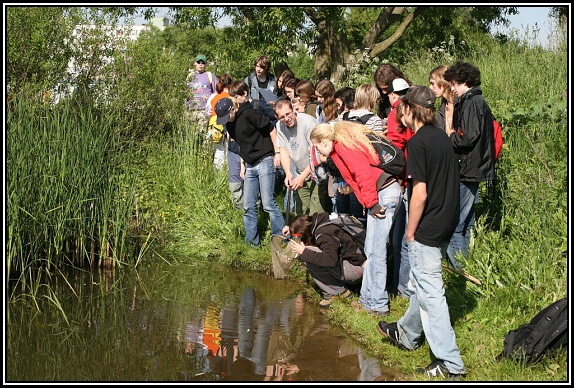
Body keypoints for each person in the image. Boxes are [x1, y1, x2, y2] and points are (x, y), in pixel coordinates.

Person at [376, 86, 466, 380]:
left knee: (431, 295)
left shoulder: (417, 144)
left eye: (401, 107)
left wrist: (410, 231)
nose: (398, 111)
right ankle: (407, 333)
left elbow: (420, 194)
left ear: (410, 110)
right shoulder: (440, 136)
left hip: (428, 225)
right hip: (445, 221)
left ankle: (450, 362)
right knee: (420, 282)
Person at [310, 120, 401, 317]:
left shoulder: (343, 147)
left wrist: (371, 204)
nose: (319, 153)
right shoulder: (342, 146)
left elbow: (363, 174)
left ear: (324, 141)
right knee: (371, 249)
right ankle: (367, 299)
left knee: (376, 252)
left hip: (382, 195)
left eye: (318, 147)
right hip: (381, 193)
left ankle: (377, 304)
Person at [443, 61, 496, 269]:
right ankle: (465, 267)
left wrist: (451, 135)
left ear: (464, 81)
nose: (453, 89)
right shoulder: (475, 101)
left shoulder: (472, 102)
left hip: (468, 169)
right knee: (465, 222)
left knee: (456, 224)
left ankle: (459, 272)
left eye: (454, 84)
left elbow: (469, 137)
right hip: (473, 167)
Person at [215, 95, 285, 246]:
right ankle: (252, 243)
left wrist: (277, 153)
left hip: (265, 159)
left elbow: (271, 129)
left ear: (233, 109)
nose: (226, 120)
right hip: (250, 165)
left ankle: (280, 238)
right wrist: (242, 165)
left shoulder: (249, 114)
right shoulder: (230, 125)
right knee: (248, 206)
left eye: (227, 116)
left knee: (267, 203)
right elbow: (242, 145)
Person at [283, 212, 365, 308]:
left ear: (304, 234)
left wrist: (304, 252)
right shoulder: (319, 221)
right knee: (309, 252)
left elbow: (330, 260)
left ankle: (338, 292)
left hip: (357, 270)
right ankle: (335, 286)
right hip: (355, 263)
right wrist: (293, 227)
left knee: (307, 252)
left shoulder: (324, 234)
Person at [274, 99, 331, 215]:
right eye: (282, 117)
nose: (286, 119)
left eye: (288, 114)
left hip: (317, 173)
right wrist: (288, 173)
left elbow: (316, 155)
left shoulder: (308, 123)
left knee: (316, 214)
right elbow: (283, 150)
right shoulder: (279, 126)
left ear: (293, 110)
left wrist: (302, 177)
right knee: (301, 214)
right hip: (299, 172)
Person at [385, 78, 414, 298]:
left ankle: (398, 285)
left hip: (402, 178)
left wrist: (394, 174)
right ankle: (399, 284)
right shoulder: (414, 108)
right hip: (410, 176)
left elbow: (395, 147)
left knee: (399, 238)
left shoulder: (397, 112)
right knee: (401, 237)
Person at [207, 74, 233, 171]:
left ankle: (217, 173)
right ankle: (227, 173)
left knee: (218, 150)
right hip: (227, 125)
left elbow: (207, 112)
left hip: (214, 126)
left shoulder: (214, 96)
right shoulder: (232, 96)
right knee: (228, 150)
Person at [186, 54, 218, 127]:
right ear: (195, 63)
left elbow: (217, 92)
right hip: (191, 110)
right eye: (198, 62)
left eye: (203, 63)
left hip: (204, 110)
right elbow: (186, 92)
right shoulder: (190, 76)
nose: (200, 64)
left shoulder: (210, 75)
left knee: (202, 134)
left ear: (205, 64)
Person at [429, 65, 455, 134]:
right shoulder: (444, 105)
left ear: (442, 82)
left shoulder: (460, 103)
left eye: (432, 83)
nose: (430, 88)